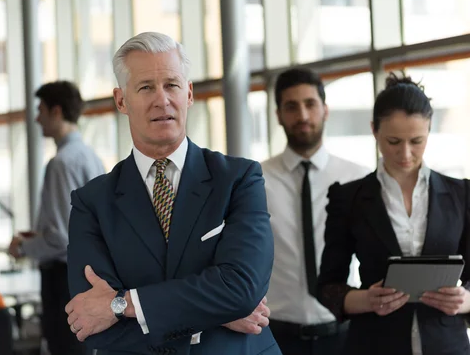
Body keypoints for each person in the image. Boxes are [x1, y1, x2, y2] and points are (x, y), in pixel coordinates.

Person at [63, 31, 280, 355]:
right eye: (146, 87)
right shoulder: (92, 202)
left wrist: (121, 304)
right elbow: (92, 325)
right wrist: (215, 314)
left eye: (172, 85)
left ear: (189, 93)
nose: (161, 99)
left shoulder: (239, 179)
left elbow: (243, 290)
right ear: (121, 100)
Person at [317, 73, 470, 355]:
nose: (406, 154)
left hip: (447, 345)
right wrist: (365, 300)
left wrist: (466, 300)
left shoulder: (462, 194)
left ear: (430, 130)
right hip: (375, 344)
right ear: (374, 130)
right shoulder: (348, 198)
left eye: (417, 141)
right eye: (393, 141)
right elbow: (328, 287)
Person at [261, 68, 369, 355]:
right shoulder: (255, 180)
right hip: (276, 337)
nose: (303, 116)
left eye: (310, 104)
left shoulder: (358, 178)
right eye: (292, 106)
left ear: (325, 110)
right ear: (278, 115)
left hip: (344, 334)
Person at [8, 80, 105, 355]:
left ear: (57, 112)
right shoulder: (90, 157)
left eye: (41, 110)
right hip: (88, 274)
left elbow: (62, 238)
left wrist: (23, 247)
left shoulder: (61, 163)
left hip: (64, 279)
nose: (37, 118)